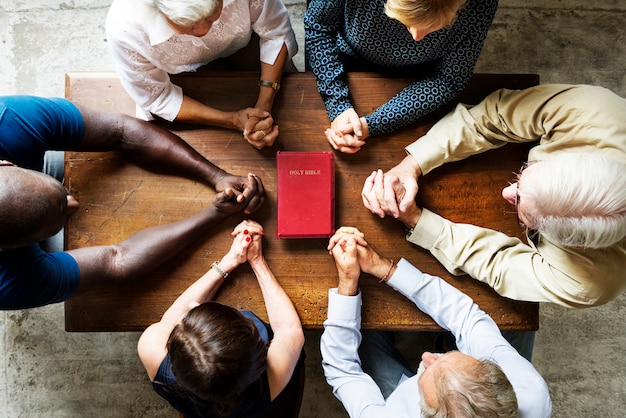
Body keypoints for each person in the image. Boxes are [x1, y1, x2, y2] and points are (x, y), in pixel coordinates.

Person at [361, 84, 626, 308]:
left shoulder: (590, 284)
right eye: (525, 173)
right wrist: (413, 164)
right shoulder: (597, 111)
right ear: (571, 159)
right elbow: (494, 117)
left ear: (575, 245)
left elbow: (498, 264)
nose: (506, 191)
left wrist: (417, 221)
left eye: (519, 205)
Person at [0, 95, 265, 310]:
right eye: (63, 213)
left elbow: (121, 130)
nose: (75, 204)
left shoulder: (7, 121)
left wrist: (216, 175)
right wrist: (213, 215)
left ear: (6, 163)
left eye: (63, 197)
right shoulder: (10, 284)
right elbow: (115, 260)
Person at [323, 227, 551, 417]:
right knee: (516, 310)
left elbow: (342, 370)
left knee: (365, 329)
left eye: (428, 370)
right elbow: (466, 317)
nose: (426, 356)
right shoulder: (530, 391)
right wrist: (384, 268)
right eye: (452, 357)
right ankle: (450, 345)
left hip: (398, 396)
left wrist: (347, 284)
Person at [138, 220, 305, 417]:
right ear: (258, 348)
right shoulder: (272, 378)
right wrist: (257, 260)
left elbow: (170, 320)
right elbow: (289, 330)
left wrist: (230, 260)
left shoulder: (151, 349)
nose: (192, 305)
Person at [303, 0, 498, 154]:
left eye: (435, 26)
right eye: (407, 22)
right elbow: (317, 26)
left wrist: (373, 124)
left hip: (420, 77)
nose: (417, 37)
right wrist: (338, 104)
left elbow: (449, 78)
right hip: (344, 61)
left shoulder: (481, 4)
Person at [106, 0, 298, 149]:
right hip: (182, 73)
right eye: (188, 25)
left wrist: (264, 106)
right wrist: (231, 120)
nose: (204, 31)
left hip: (245, 44)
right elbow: (157, 96)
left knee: (294, 110)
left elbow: (275, 32)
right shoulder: (125, 28)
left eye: (212, 16)